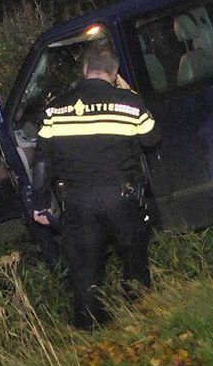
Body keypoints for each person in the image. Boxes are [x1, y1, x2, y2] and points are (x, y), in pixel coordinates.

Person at [33, 43, 160, 328]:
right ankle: (142, 320)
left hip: (78, 202)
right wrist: (129, 93)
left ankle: (91, 331)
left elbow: (41, 162)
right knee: (134, 260)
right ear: (115, 74)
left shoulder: (55, 109)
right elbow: (152, 139)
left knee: (85, 270)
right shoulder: (129, 103)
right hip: (123, 199)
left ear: (84, 69)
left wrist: (40, 204)